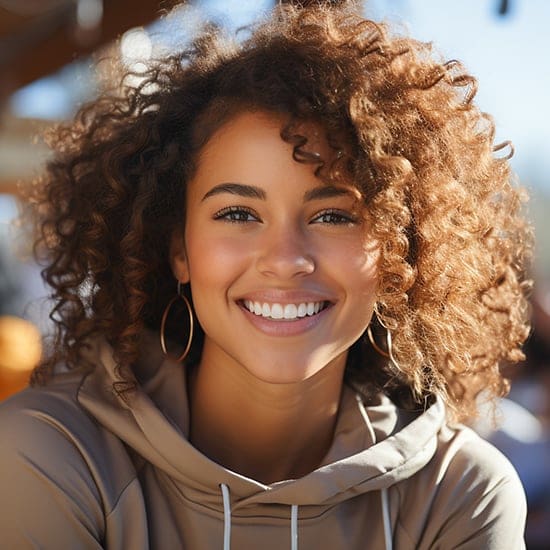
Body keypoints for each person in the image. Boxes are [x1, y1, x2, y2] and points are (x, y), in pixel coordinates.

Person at [0, 2, 532, 548]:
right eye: (237, 214)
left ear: (399, 252)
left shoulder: (460, 494)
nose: (284, 258)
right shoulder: (51, 456)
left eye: (333, 216)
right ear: (179, 248)